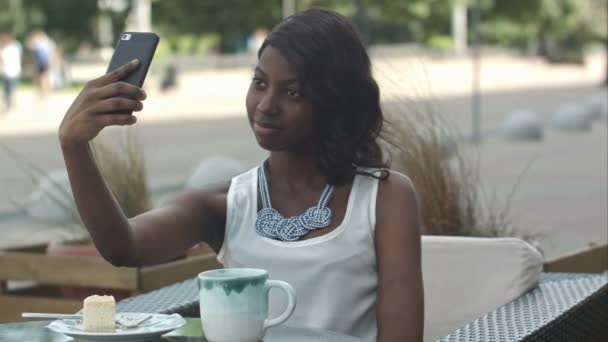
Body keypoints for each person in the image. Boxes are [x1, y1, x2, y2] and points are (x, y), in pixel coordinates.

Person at [58, 8, 423, 341]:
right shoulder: (225, 203)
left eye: (293, 92)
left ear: (335, 102)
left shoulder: (384, 198)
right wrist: (75, 148)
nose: (266, 106)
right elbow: (123, 247)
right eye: (259, 83)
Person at [27, 30, 55, 98]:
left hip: (42, 62)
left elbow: (30, 46)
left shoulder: (41, 42)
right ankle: (45, 92)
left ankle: (44, 93)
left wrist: (32, 40)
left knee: (42, 78)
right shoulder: (48, 42)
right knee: (44, 77)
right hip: (44, 62)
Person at [0, 32, 22, 113]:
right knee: (12, 88)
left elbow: (3, 61)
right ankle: (11, 103)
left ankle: (8, 104)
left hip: (7, 71)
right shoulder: (15, 48)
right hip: (15, 71)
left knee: (7, 89)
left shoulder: (4, 50)